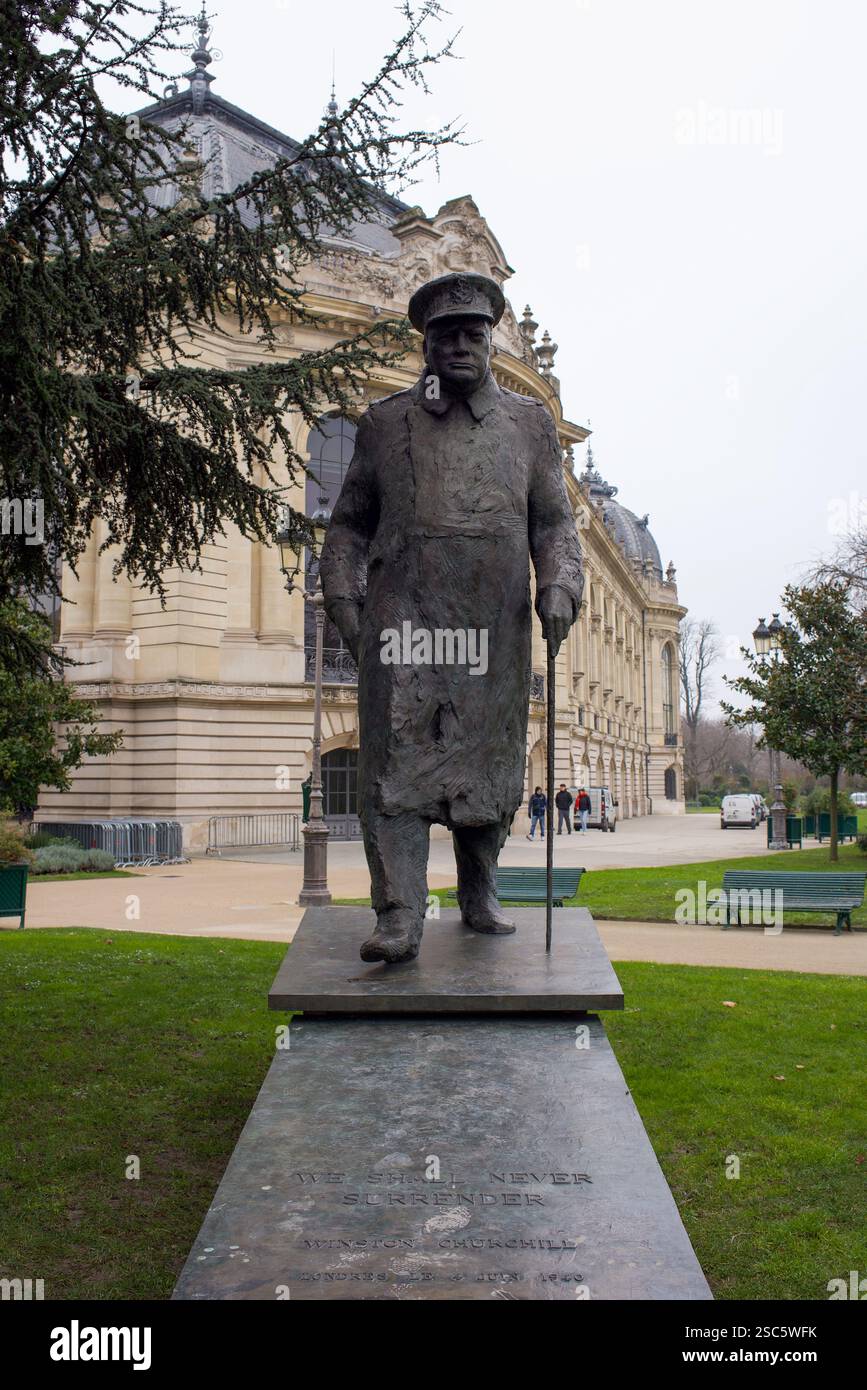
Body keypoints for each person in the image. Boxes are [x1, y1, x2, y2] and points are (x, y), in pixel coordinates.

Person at [320, 271, 584, 963]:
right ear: (426, 345)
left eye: (473, 333)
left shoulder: (530, 425)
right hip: (401, 621)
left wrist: (559, 586)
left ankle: (480, 893)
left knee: (489, 771)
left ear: (491, 340)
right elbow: (347, 525)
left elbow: (554, 523)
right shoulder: (383, 424)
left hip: (493, 627)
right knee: (394, 770)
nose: (460, 347)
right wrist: (345, 604)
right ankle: (400, 914)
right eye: (445, 335)